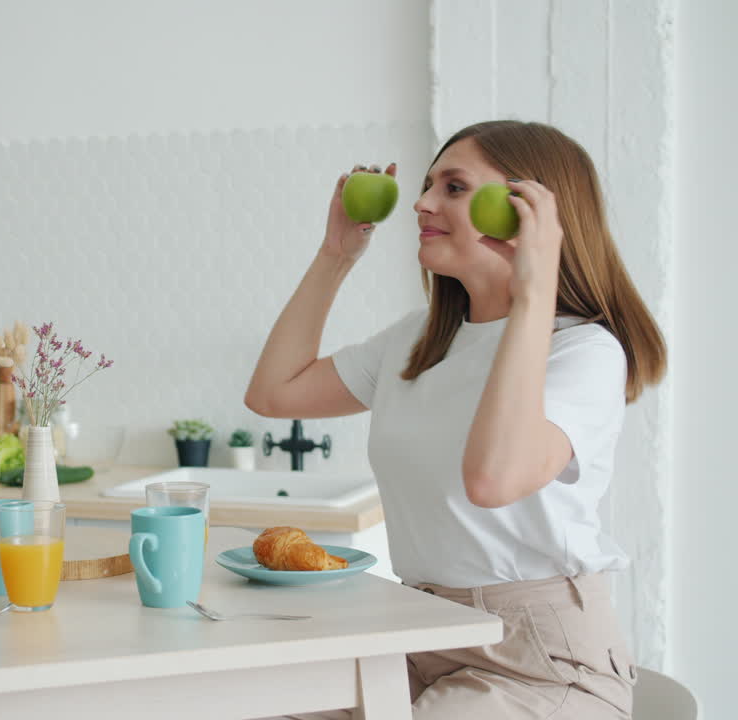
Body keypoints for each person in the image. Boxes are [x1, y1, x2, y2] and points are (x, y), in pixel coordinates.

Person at [245, 120, 664, 719]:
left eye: (454, 187)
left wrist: (534, 290)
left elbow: (492, 480)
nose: (421, 203)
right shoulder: (417, 340)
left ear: (525, 213)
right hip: (418, 631)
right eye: (427, 185)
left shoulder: (583, 352)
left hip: (539, 660)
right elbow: (273, 393)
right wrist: (335, 255)